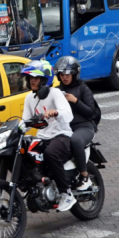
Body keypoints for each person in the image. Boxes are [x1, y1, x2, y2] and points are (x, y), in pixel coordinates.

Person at [21, 61, 76, 212]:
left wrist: (56, 112)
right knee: (21, 152)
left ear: (45, 79)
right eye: (30, 77)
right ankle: (34, 186)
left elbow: (68, 115)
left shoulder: (55, 93)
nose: (32, 80)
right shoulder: (29, 98)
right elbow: (25, 123)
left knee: (50, 153)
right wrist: (8, 130)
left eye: (36, 78)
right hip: (42, 136)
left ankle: (67, 193)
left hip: (61, 135)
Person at [56, 56, 98, 193]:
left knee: (75, 140)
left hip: (84, 127)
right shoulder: (57, 91)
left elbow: (91, 112)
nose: (65, 77)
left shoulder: (83, 89)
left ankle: (84, 176)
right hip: (64, 128)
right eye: (62, 74)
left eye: (68, 74)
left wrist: (75, 101)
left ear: (74, 74)